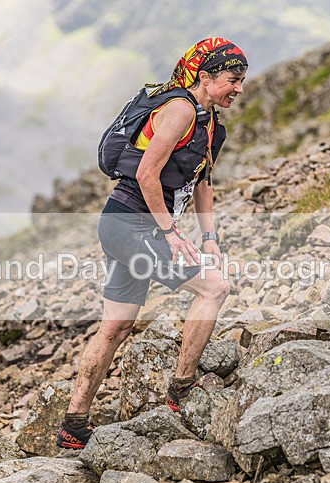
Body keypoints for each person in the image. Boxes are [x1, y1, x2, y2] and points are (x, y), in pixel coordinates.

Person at [57, 37, 247, 450]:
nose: (239, 89)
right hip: (130, 224)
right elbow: (146, 173)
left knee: (116, 327)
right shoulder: (178, 110)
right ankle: (182, 392)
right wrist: (170, 232)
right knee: (215, 288)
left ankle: (74, 425)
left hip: (127, 226)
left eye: (242, 81)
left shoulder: (212, 123)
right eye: (233, 79)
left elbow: (203, 183)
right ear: (207, 75)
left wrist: (210, 237)